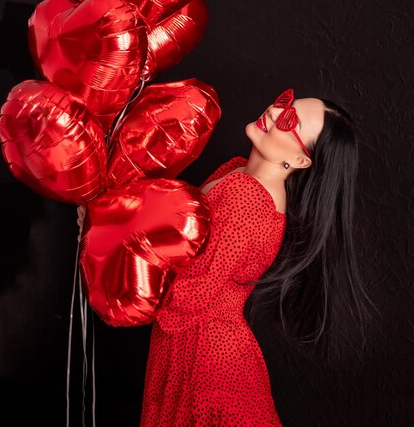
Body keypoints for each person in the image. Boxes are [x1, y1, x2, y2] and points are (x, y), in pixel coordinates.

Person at [77, 87, 377, 425]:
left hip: (204, 360)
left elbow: (184, 297)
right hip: (198, 348)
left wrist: (109, 238)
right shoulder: (238, 172)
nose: (276, 112)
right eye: (284, 102)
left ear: (300, 160)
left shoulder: (248, 198)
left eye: (290, 119)